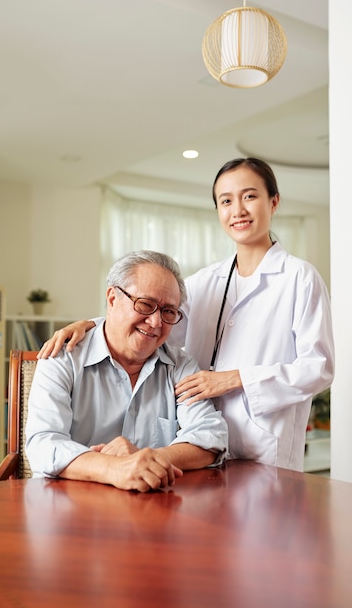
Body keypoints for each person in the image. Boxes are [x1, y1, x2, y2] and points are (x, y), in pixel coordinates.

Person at [38, 157, 334, 472]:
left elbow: (319, 367)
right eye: (226, 201)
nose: (238, 210)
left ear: (273, 202)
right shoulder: (202, 282)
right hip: (195, 454)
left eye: (250, 196)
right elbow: (155, 330)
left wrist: (234, 379)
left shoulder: (299, 278)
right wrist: (93, 327)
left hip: (264, 450)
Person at [26, 250, 228, 492]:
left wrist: (148, 458)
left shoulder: (181, 366)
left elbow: (210, 437)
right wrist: (113, 468)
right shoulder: (62, 357)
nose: (156, 323)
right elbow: (43, 444)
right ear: (112, 298)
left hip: (154, 512)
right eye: (145, 305)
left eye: (168, 312)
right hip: (71, 509)